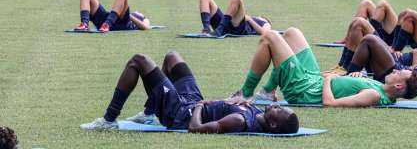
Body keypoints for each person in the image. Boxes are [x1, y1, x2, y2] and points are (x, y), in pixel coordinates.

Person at [81, 51, 299, 134]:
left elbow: (196, 129)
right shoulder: (252, 112)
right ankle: (148, 114)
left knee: (139, 60)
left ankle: (109, 119)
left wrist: (197, 108)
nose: (277, 106)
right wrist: (235, 99)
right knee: (172, 57)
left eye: (278, 110)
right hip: (193, 102)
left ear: (272, 124)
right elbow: (225, 106)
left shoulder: (240, 121)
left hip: (181, 114)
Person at [232, 28, 417, 107]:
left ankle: (245, 93)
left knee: (270, 37)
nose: (396, 70)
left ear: (399, 86)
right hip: (313, 81)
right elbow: (347, 86)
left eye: (400, 73)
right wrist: (347, 75)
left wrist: (329, 80)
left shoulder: (374, 95)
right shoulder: (379, 86)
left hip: (305, 91)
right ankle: (267, 92)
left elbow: (330, 104)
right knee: (292, 33)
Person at [74, 0, 151, 32]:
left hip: (122, 23)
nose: (137, 11)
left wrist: (130, 16)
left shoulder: (143, 18)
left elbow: (146, 27)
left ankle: (107, 24)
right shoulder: (115, 13)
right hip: (107, 19)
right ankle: (84, 24)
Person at [199, 0, 271, 36]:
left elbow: (264, 33)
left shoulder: (266, 23)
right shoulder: (254, 18)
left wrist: (250, 19)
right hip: (226, 22)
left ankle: (219, 30)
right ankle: (206, 30)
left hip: (236, 28)